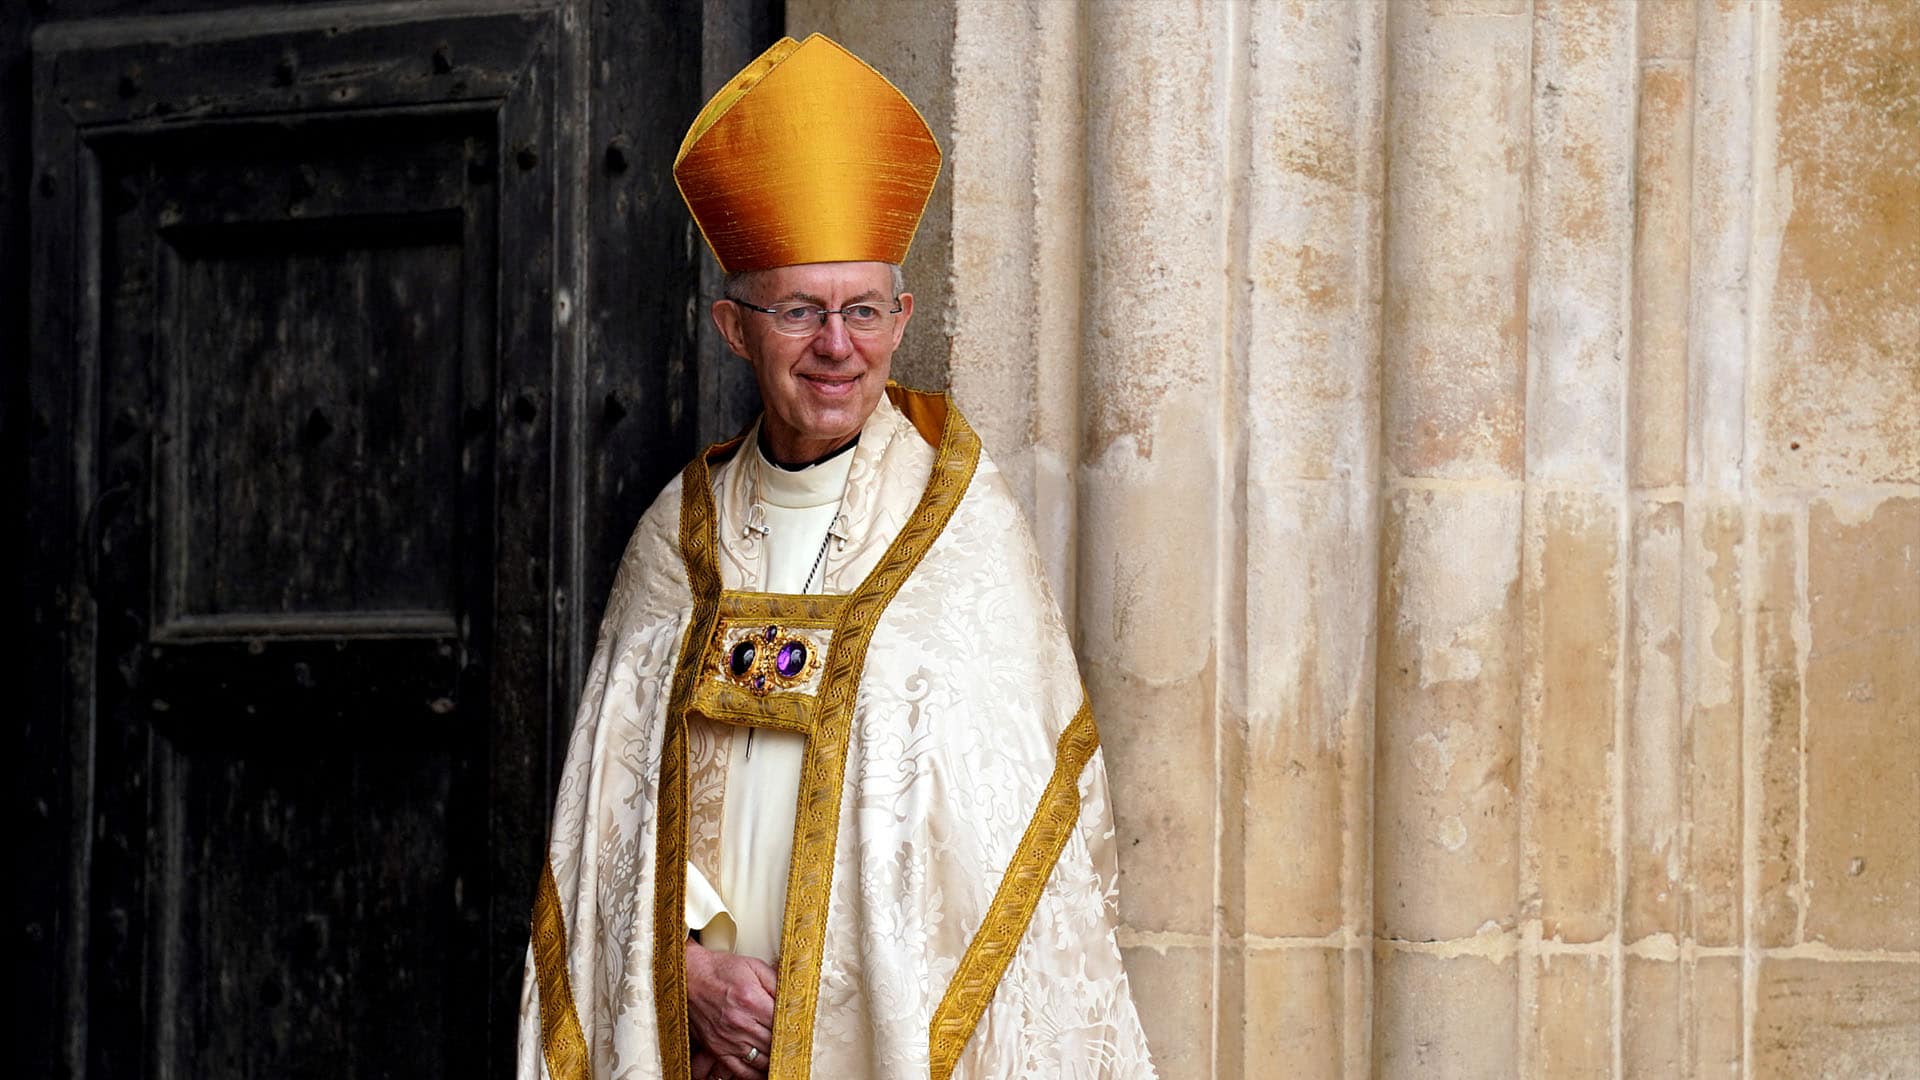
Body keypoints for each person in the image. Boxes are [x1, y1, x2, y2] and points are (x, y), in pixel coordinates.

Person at [515, 33, 1154, 1080]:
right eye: (800, 312)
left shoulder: (961, 531)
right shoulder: (677, 538)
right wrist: (685, 971)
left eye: (862, 310)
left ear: (902, 321)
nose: (837, 346)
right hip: (697, 1044)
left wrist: (836, 998)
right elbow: (610, 818)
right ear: (734, 328)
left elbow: (1005, 845)